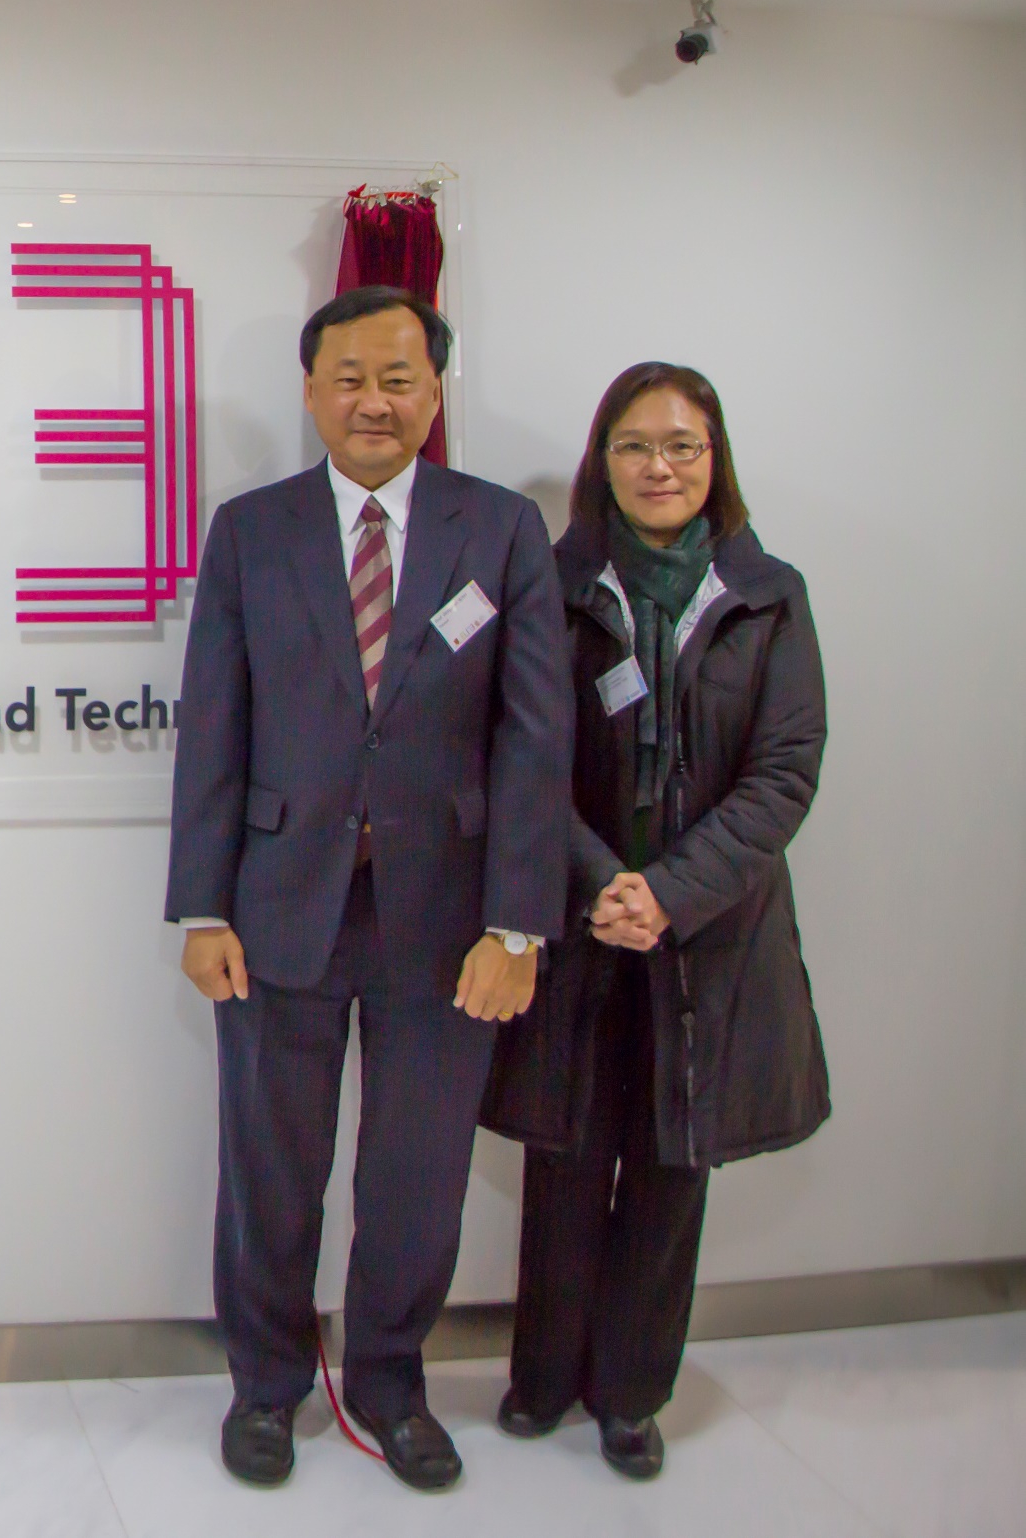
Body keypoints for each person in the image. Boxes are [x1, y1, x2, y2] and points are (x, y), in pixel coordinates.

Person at [164, 283, 570, 1492]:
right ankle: (264, 1385)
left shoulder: (498, 531)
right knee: (268, 1167)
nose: (372, 400)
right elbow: (212, 724)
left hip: (446, 921)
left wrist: (517, 924)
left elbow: (535, 738)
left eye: (397, 376)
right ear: (308, 390)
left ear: (434, 388)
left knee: (415, 1173)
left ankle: (390, 1381)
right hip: (276, 902)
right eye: (347, 377)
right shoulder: (249, 528)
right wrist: (200, 906)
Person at [483, 364, 828, 1480]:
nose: (659, 466)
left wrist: (669, 891)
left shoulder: (769, 594)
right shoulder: (552, 581)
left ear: (713, 458)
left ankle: (630, 1392)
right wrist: (601, 883)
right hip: (581, 922)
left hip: (710, 932)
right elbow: (520, 752)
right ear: (601, 460)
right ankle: (540, 1376)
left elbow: (783, 773)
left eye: (681, 445)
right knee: (566, 1151)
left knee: (674, 1167)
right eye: (634, 445)